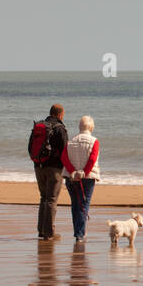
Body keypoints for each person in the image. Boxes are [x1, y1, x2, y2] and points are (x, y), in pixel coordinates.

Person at [29, 103, 69, 241]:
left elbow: (30, 147)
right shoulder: (60, 129)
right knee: (52, 200)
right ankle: (49, 233)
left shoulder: (39, 126)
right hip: (54, 169)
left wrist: (37, 162)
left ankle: (41, 230)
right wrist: (67, 169)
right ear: (60, 114)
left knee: (43, 197)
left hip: (38, 166)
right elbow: (65, 151)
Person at [61, 115, 101, 242]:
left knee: (75, 204)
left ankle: (78, 232)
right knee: (84, 204)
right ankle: (80, 234)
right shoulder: (94, 141)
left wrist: (73, 171)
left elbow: (64, 158)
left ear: (80, 126)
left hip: (71, 177)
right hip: (87, 178)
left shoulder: (70, 141)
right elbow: (92, 158)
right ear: (91, 127)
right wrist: (84, 172)